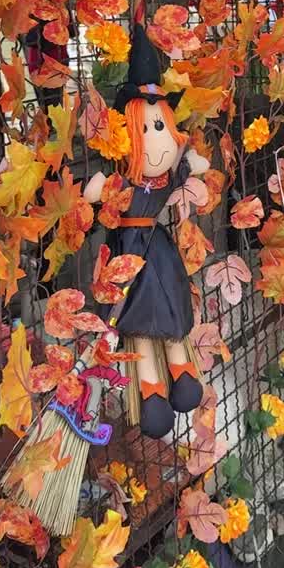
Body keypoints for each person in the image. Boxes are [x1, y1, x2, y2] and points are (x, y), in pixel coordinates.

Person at [83, 26, 209, 438]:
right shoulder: (123, 182)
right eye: (146, 129)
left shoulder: (163, 183)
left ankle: (183, 370)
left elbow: (193, 165)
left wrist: (192, 163)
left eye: (162, 128)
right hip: (129, 254)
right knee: (134, 322)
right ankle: (152, 392)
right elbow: (92, 194)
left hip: (159, 250)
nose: (158, 142)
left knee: (172, 313)